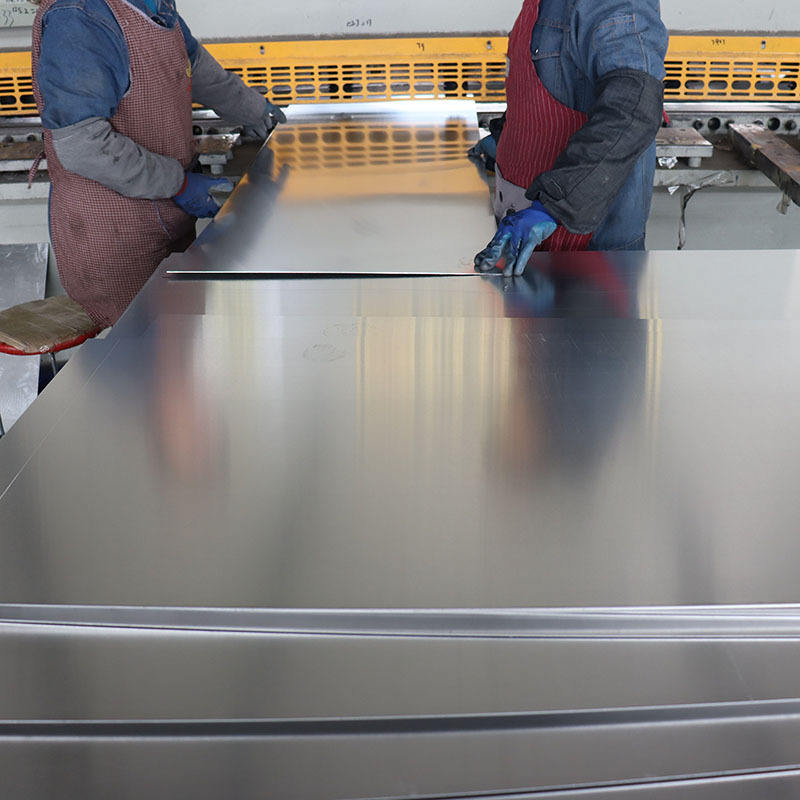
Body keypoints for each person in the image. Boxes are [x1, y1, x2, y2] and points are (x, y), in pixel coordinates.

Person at [30, 0, 286, 326]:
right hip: (115, 236)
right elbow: (83, 145)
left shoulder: (153, 4)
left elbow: (192, 65)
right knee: (135, 349)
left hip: (168, 218)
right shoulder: (79, 18)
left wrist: (252, 109)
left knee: (181, 338)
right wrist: (179, 183)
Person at [472, 0, 668, 277]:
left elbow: (632, 109)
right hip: (526, 245)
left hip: (586, 258)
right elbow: (551, 86)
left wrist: (554, 206)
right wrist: (506, 137)